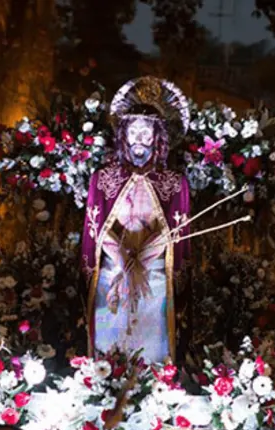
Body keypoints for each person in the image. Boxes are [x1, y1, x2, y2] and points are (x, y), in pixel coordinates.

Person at [81, 76, 191, 363]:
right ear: (123, 134)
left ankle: (153, 382)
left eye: (146, 133)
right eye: (133, 131)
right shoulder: (103, 179)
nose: (139, 140)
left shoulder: (174, 182)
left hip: (152, 272)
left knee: (151, 337)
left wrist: (141, 261)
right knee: (111, 332)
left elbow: (175, 229)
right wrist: (123, 262)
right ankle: (105, 381)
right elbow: (96, 227)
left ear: (158, 137)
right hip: (113, 270)